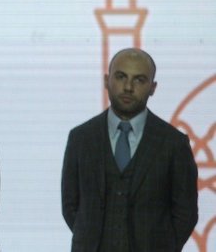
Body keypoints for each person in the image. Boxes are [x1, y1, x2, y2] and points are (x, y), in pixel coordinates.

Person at [61, 48, 198, 252]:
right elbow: (70, 206)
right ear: (106, 80)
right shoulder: (81, 138)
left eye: (139, 80)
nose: (128, 87)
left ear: (153, 88)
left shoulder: (174, 144)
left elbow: (186, 212)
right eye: (121, 77)